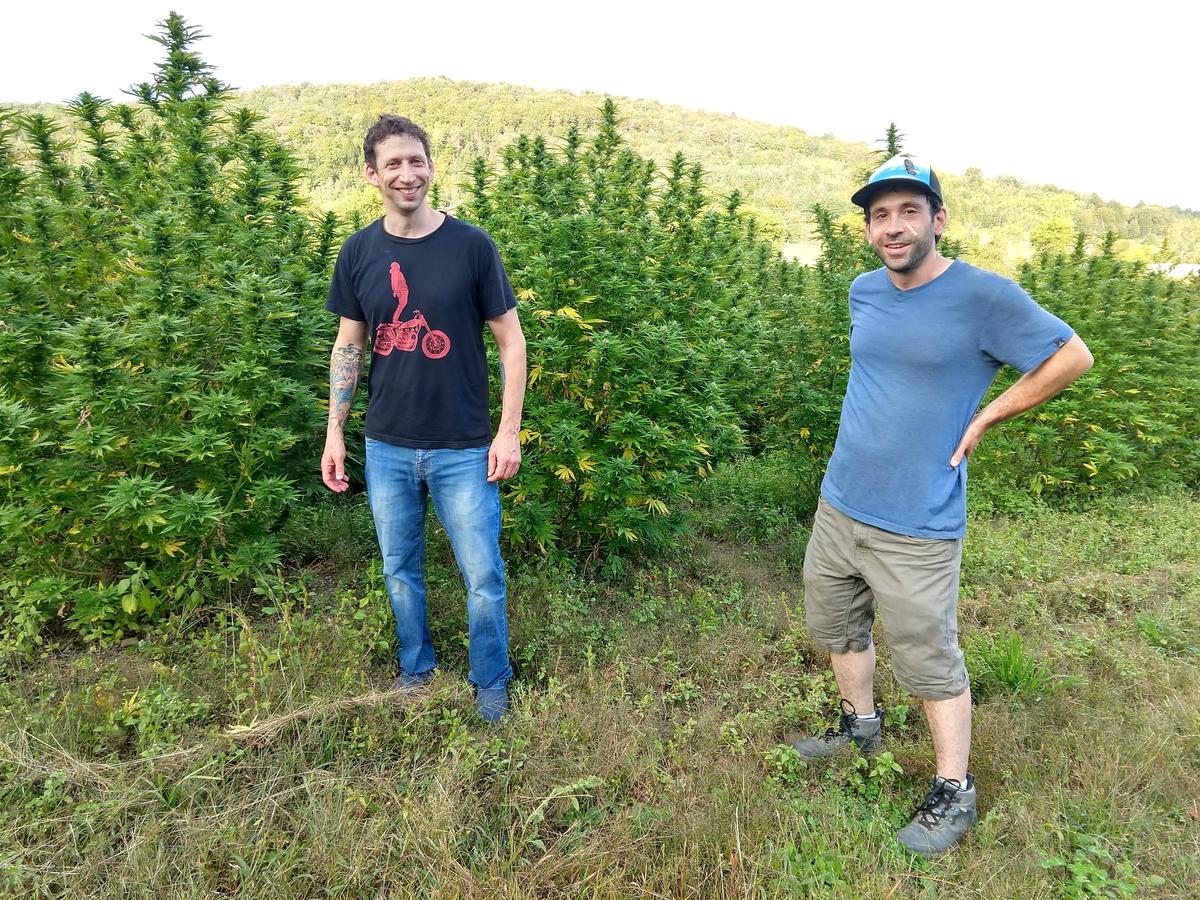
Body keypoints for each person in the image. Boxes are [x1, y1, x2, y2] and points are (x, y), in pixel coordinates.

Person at [792, 155, 1093, 856]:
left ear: (938, 218)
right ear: (868, 227)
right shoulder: (864, 291)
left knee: (929, 657)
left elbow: (1071, 356)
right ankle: (858, 727)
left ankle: (954, 791)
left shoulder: (984, 297)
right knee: (836, 625)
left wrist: (988, 417)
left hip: (918, 521)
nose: (892, 228)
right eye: (879, 215)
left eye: (907, 212)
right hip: (841, 503)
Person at [321, 114, 526, 723]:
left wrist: (507, 430)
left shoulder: (472, 246)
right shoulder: (359, 251)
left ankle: (491, 680)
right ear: (372, 175)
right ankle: (417, 669)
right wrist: (335, 430)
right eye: (393, 164)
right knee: (399, 569)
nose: (407, 174)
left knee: (483, 575)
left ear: (431, 165)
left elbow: (512, 342)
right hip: (385, 444)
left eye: (417, 161)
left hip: (463, 445)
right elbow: (349, 345)